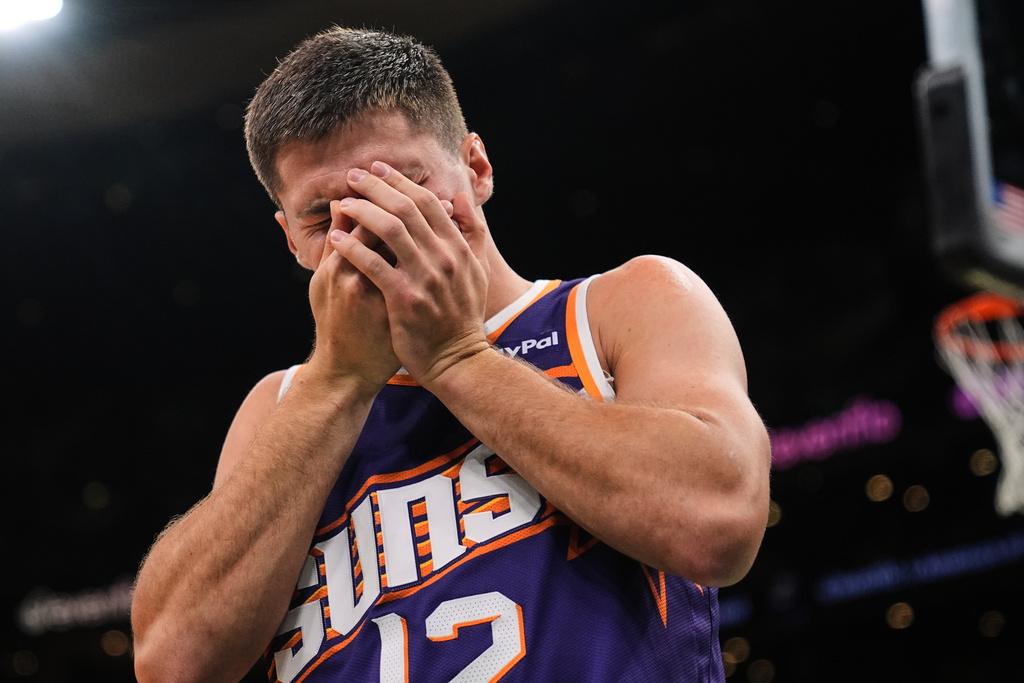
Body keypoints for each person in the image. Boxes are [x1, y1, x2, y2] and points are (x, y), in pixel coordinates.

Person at [130, 27, 771, 683]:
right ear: (290, 239)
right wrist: (337, 381)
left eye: (403, 187)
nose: (374, 231)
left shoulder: (622, 305)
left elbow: (716, 522)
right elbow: (172, 664)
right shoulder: (281, 403)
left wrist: (457, 356)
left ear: (477, 167)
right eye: (325, 218)